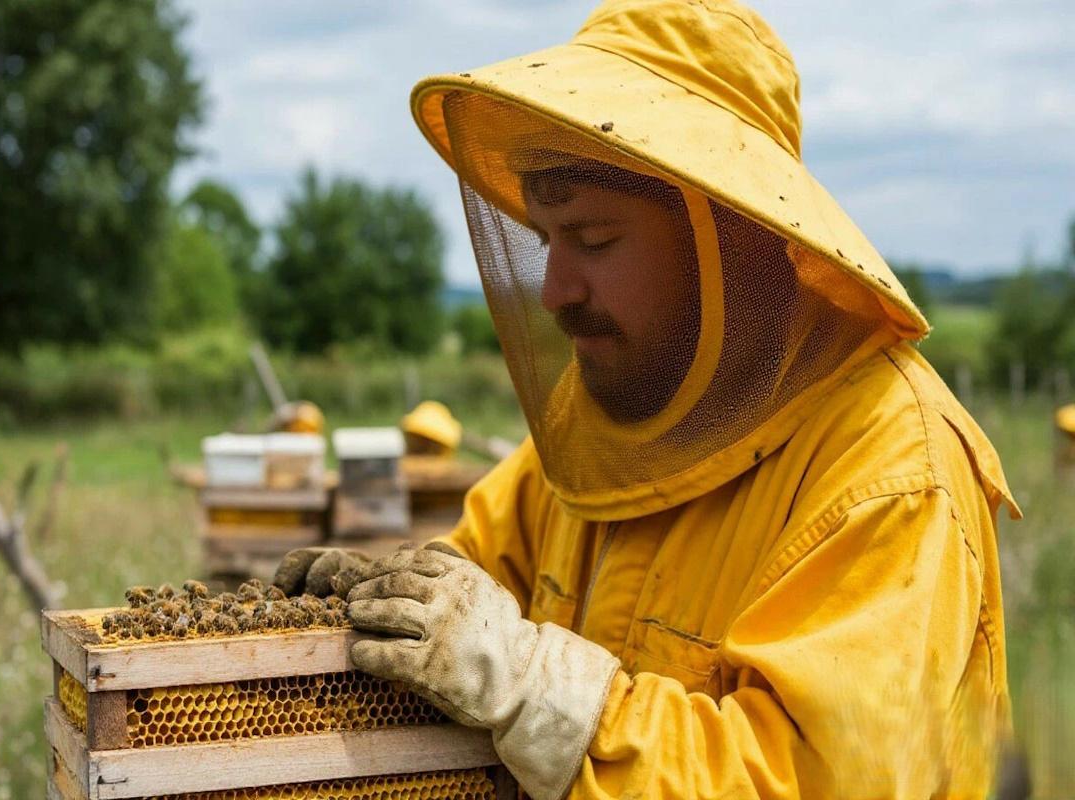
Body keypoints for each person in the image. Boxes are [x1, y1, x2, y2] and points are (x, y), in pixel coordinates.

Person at [274, 1, 1021, 797]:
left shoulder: (892, 474)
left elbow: (810, 780)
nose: (555, 291)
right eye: (546, 240)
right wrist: (400, 599)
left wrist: (535, 689)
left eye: (594, 240)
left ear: (731, 238)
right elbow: (485, 569)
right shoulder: (597, 429)